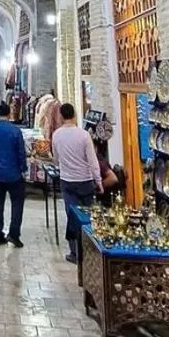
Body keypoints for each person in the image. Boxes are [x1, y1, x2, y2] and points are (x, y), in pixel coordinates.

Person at [50, 103, 118, 263]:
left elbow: (56, 158)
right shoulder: (84, 135)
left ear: (61, 116)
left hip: (67, 181)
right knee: (87, 215)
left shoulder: (57, 135)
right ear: (74, 115)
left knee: (72, 214)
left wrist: (61, 167)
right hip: (85, 181)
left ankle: (75, 251)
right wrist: (99, 182)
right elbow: (93, 161)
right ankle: (88, 249)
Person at [0, 101, 27, 247]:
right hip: (14, 173)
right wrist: (23, 169)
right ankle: (14, 234)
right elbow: (21, 152)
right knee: (17, 204)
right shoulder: (15, 131)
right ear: (9, 114)